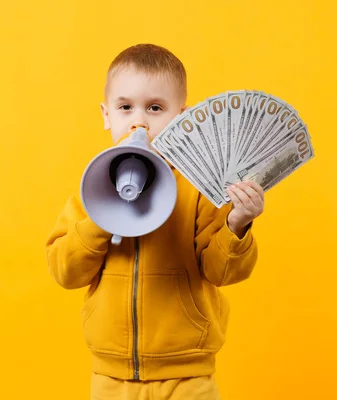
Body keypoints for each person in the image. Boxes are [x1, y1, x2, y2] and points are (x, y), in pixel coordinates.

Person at [45, 43, 265, 400]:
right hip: (111, 376)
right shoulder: (92, 190)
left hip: (188, 375)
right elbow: (65, 272)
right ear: (106, 115)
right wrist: (102, 217)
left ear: (183, 117)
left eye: (155, 108)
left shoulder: (200, 191)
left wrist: (236, 223)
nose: (139, 121)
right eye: (125, 107)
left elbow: (223, 272)